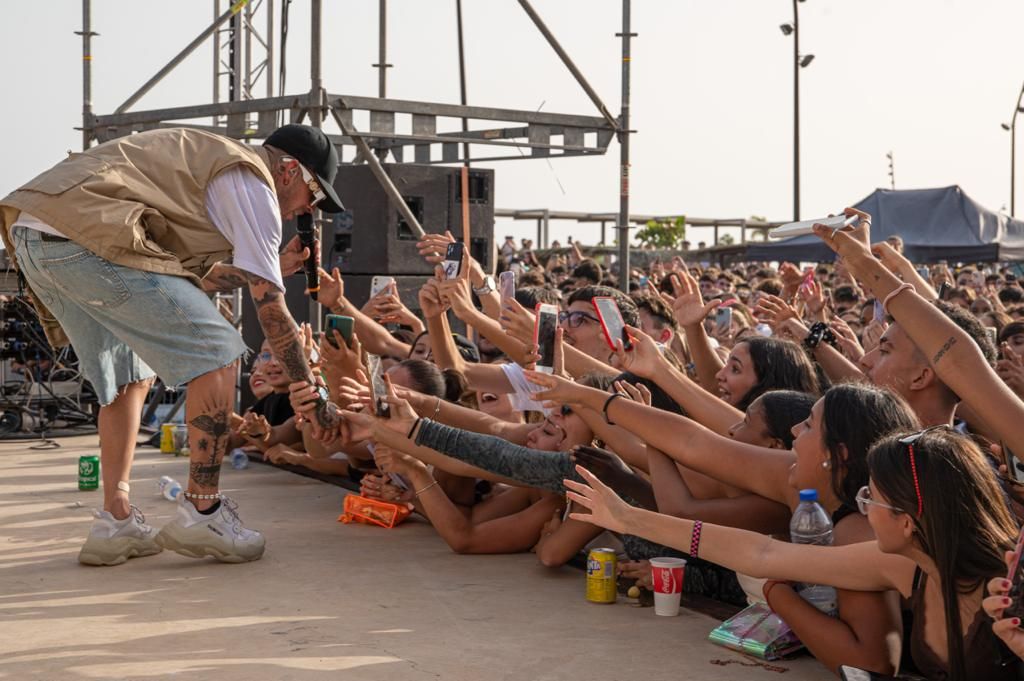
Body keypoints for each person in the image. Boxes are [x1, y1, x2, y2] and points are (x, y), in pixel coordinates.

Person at [0, 124, 344, 565]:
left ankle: (116, 522)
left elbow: (184, 280)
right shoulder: (253, 183)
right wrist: (308, 389)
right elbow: (270, 307)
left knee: (130, 376)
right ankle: (203, 510)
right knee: (218, 351)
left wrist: (272, 265)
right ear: (290, 171)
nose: (308, 210)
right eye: (313, 196)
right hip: (91, 239)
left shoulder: (206, 165)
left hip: (39, 236)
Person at [566, 427, 1021, 681]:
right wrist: (627, 519)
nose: (862, 509)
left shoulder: (1010, 583)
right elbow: (763, 554)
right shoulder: (908, 567)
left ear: (907, 520)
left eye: (871, 499)